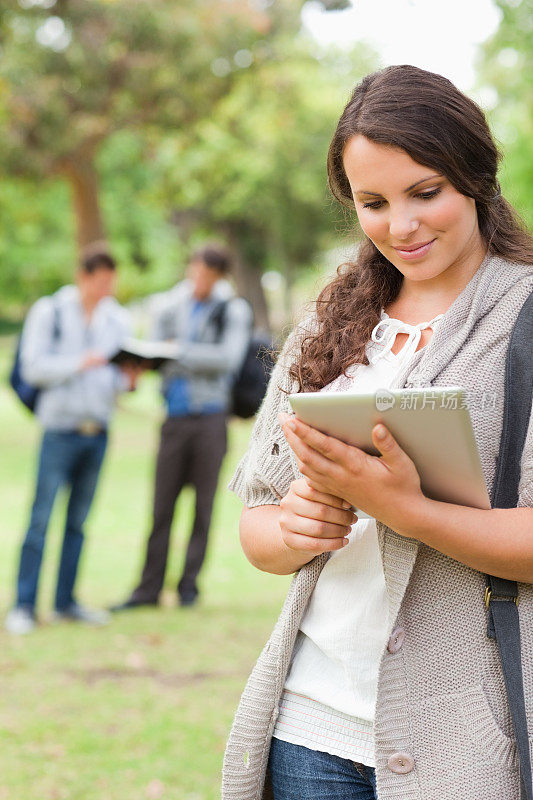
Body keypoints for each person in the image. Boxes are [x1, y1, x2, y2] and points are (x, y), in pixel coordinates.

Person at [222, 65, 533, 800]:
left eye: (424, 193)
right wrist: (297, 527)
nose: (401, 225)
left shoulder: (521, 319)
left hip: (468, 742)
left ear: (475, 176)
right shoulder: (330, 323)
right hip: (307, 727)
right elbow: (257, 527)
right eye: (372, 202)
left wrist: (404, 510)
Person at [5, 248, 137, 635]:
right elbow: (32, 367)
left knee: (78, 521)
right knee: (40, 518)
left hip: (97, 432)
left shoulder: (118, 319)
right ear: (84, 277)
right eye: (101, 281)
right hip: (59, 430)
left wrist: (127, 380)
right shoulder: (51, 311)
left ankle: (66, 602)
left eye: (112, 282)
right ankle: (24, 605)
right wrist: (81, 361)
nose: (107, 289)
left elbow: (115, 378)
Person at [113, 243, 253, 610]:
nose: (199, 281)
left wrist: (180, 353)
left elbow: (227, 359)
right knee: (161, 506)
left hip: (211, 417)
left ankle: (189, 587)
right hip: (174, 418)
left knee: (203, 507)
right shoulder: (171, 306)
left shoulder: (232, 310)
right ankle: (148, 589)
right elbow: (155, 350)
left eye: (208, 275)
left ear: (219, 276)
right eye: (196, 272)